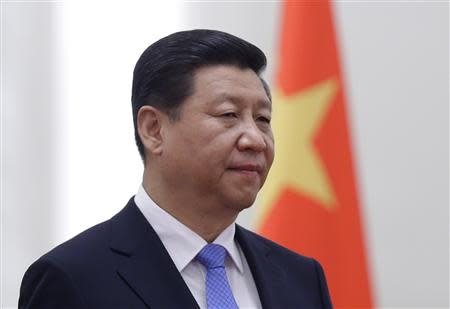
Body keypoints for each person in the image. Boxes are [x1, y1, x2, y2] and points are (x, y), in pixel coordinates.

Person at [19, 29, 332, 309]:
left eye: (263, 119)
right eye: (228, 114)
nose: (255, 139)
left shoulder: (302, 278)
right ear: (154, 129)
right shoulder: (73, 279)